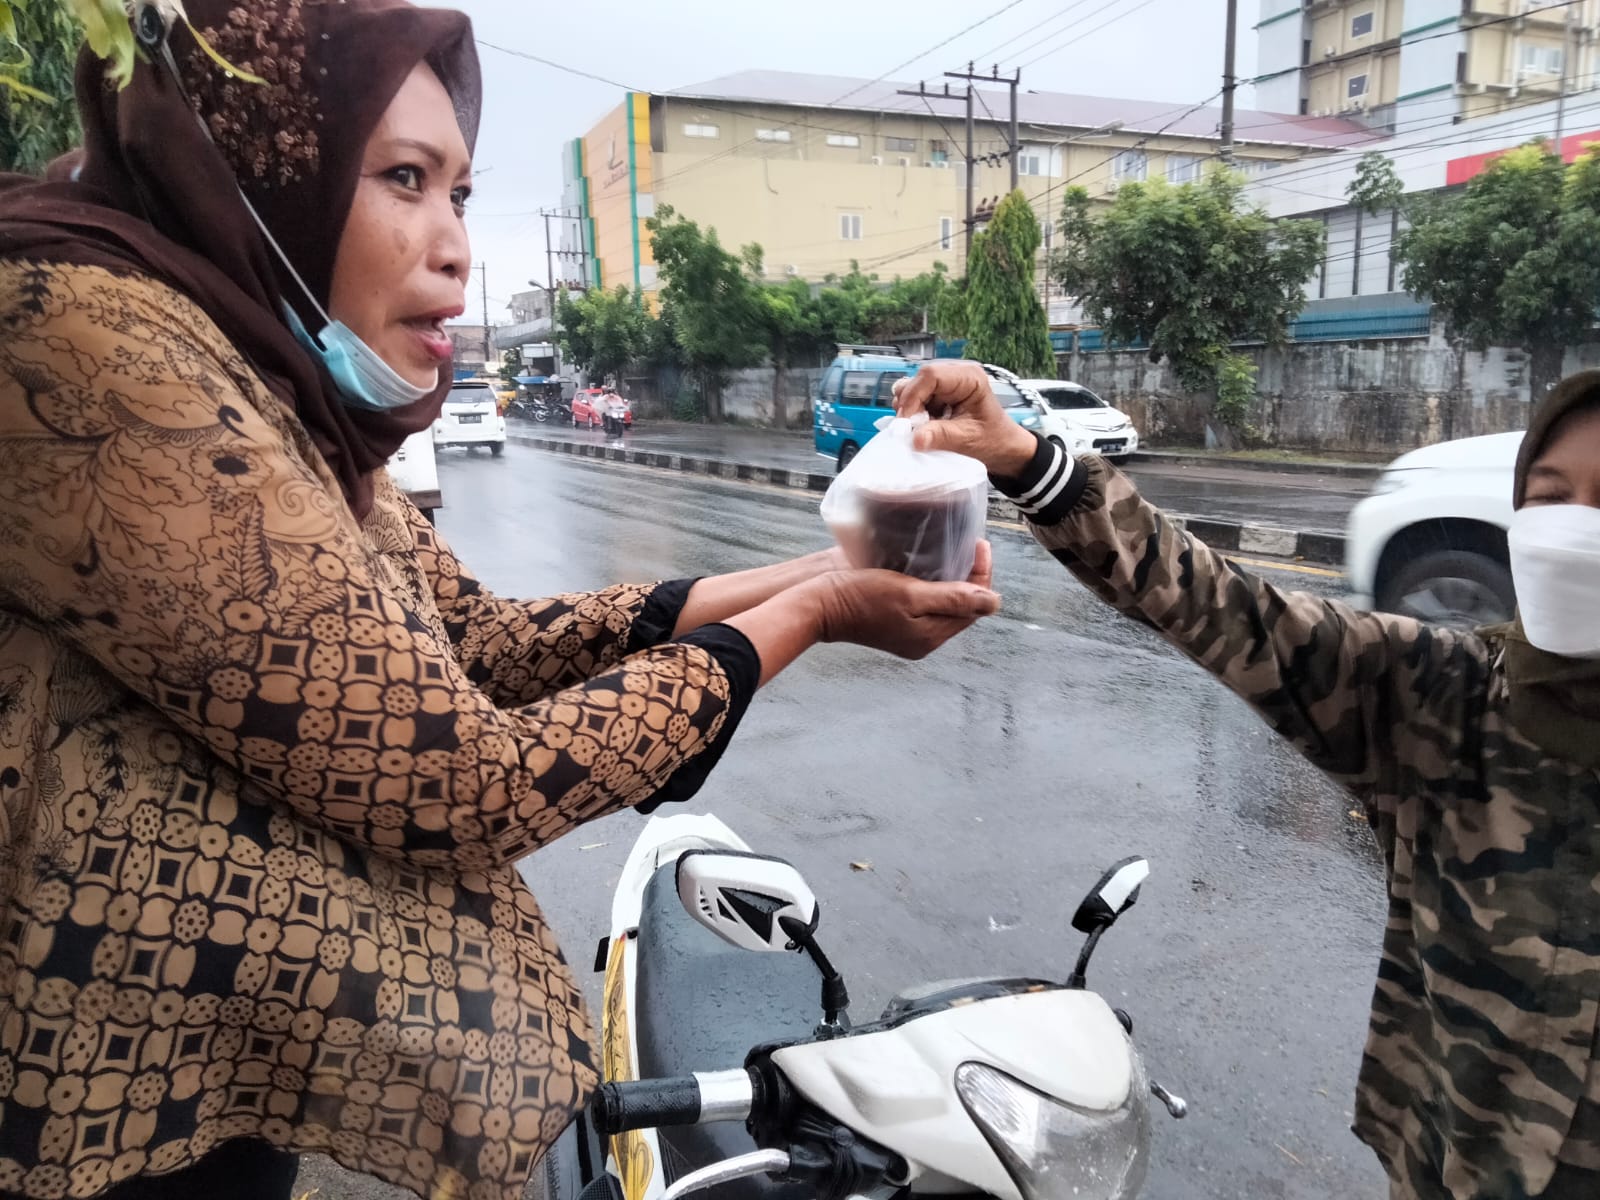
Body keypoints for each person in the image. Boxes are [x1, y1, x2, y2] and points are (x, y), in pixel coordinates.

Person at [0, 5, 999, 1199]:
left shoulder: (264, 377)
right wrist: (818, 619)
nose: (453, 244)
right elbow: (451, 776)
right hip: (68, 1099)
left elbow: (481, 641)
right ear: (256, 173)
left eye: (461, 191)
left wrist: (827, 565)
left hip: (195, 1060)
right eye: (402, 179)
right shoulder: (79, 337)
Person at [895, 359, 1600, 1200]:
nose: (1573, 527)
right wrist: (1023, 458)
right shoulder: (1444, 696)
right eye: (1551, 496)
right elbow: (1226, 608)